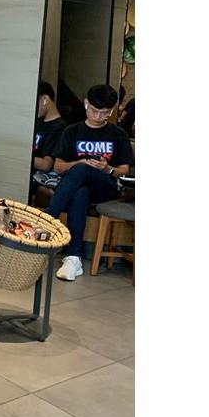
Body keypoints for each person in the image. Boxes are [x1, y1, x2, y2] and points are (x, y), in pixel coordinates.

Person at [46, 83, 134, 281]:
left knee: (83, 170)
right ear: (86, 103)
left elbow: (123, 171)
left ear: (111, 111)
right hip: (78, 186)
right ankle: (73, 258)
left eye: (104, 113)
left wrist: (106, 168)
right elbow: (58, 167)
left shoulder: (118, 134)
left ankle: (48, 218)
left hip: (106, 187)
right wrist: (78, 163)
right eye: (94, 110)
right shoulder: (71, 131)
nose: (98, 116)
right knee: (81, 192)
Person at [32, 81, 67, 182]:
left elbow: (46, 164)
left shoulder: (59, 128)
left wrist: (19, 155)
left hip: (41, 178)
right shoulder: (37, 122)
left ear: (45, 99)